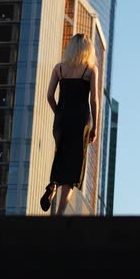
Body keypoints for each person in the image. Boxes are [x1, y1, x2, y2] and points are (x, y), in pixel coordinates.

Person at [40, 33, 99, 215]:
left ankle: (53, 184)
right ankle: (60, 213)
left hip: (62, 120)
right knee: (73, 168)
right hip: (80, 121)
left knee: (61, 156)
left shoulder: (59, 68)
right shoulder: (90, 70)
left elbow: (49, 95)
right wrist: (95, 126)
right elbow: (94, 101)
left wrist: (59, 113)